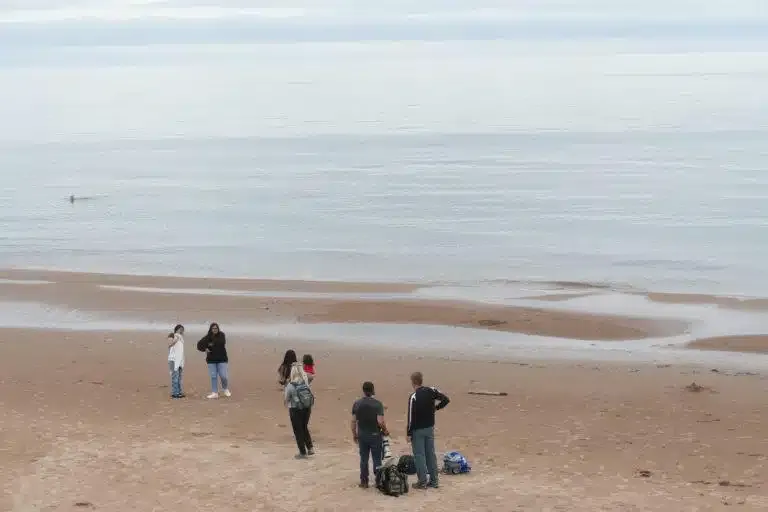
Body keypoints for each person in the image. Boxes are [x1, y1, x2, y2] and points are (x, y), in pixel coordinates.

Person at [406, 371, 450, 489]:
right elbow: (446, 399)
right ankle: (434, 481)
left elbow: (410, 417)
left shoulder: (413, 397)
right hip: (429, 427)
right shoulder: (431, 390)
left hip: (417, 430)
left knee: (419, 455)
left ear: (413, 382)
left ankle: (422, 481)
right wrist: (436, 408)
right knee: (430, 454)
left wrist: (408, 433)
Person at [351, 381, 389, 488]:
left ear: (363, 391)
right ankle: (378, 481)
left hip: (362, 435)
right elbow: (380, 421)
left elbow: (353, 421)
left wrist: (354, 434)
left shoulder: (357, 403)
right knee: (377, 459)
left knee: (364, 459)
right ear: (373, 390)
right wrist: (385, 430)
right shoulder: (378, 404)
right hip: (375, 435)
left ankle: (364, 481)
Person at [283, 363, 314, 459]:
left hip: (295, 409)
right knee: (304, 427)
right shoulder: (305, 383)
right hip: (307, 408)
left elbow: (286, 399)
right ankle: (310, 448)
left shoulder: (290, 385)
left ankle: (302, 452)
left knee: (298, 430)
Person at [196, 322, 230, 399]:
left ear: (218, 329)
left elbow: (221, 342)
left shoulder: (222, 335)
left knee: (223, 376)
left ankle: (225, 389)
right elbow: (199, 345)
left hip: (222, 359)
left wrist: (210, 344)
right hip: (211, 360)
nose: (215, 330)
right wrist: (205, 348)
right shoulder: (207, 337)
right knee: (213, 376)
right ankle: (215, 392)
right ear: (211, 329)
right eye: (213, 328)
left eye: (216, 328)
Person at [167, 324, 185, 398]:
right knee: (175, 377)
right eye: (180, 329)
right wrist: (176, 339)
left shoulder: (181, 338)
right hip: (173, 360)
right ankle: (175, 393)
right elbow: (169, 344)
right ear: (176, 329)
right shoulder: (172, 335)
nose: (181, 331)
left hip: (180, 360)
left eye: (182, 330)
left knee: (179, 377)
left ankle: (179, 392)